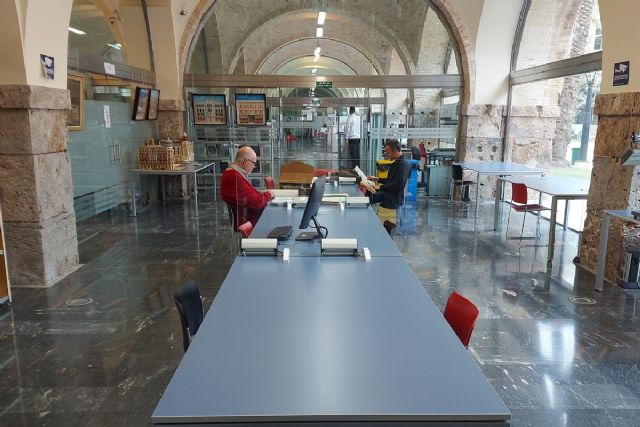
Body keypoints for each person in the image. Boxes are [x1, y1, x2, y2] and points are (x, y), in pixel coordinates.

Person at [221, 146, 273, 230]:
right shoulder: (234, 177)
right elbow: (256, 204)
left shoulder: (233, 173)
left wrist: (259, 193)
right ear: (245, 162)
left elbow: (248, 196)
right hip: (249, 222)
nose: (253, 167)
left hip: (250, 217)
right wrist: (269, 194)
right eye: (253, 164)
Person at [364, 139, 411, 210]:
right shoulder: (396, 163)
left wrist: (379, 187)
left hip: (393, 198)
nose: (387, 155)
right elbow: (390, 180)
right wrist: (377, 179)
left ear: (395, 151)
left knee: (370, 197)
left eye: (388, 152)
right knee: (368, 192)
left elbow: (398, 185)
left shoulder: (403, 164)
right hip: (390, 193)